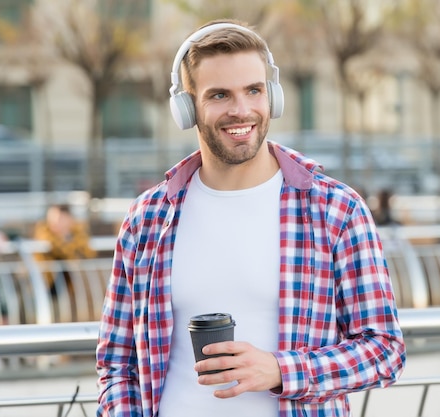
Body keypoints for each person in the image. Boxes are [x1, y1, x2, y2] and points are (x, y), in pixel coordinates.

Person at [96, 20, 406, 417]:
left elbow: (384, 350)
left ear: (272, 96)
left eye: (254, 90)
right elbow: (117, 364)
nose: (241, 110)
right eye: (220, 95)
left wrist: (281, 370)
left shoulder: (336, 210)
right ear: (187, 108)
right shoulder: (147, 219)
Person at [34, 203, 96, 321]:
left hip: (73, 287)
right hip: (49, 283)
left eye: (58, 219)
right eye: (51, 219)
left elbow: (88, 253)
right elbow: (56, 248)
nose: (54, 223)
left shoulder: (79, 237)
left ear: (69, 219)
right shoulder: (45, 236)